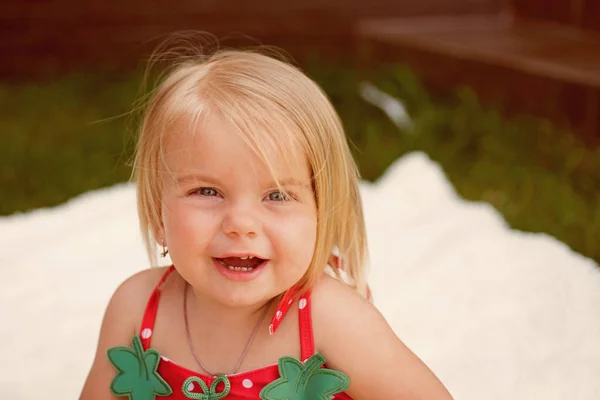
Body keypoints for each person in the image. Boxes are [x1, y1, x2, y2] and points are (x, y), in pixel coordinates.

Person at [80, 42, 454, 399]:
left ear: (323, 215)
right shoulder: (137, 307)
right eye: (207, 192)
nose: (241, 224)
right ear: (157, 214)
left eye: (276, 195)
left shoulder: (331, 318)